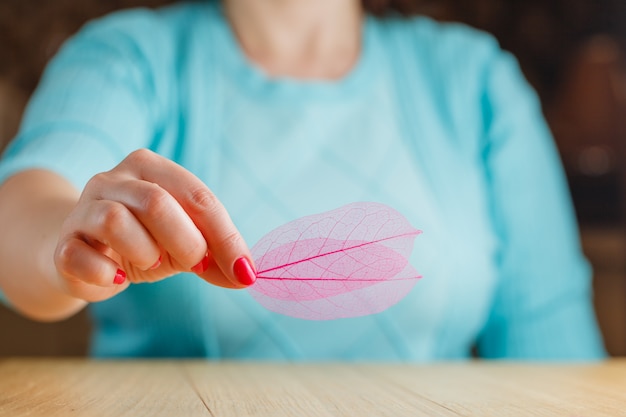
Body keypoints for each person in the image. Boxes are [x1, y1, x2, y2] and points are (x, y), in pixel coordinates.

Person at [0, 0, 606, 360]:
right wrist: (70, 247)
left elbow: (556, 354)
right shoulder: (129, 58)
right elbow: (25, 208)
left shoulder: (473, 81)